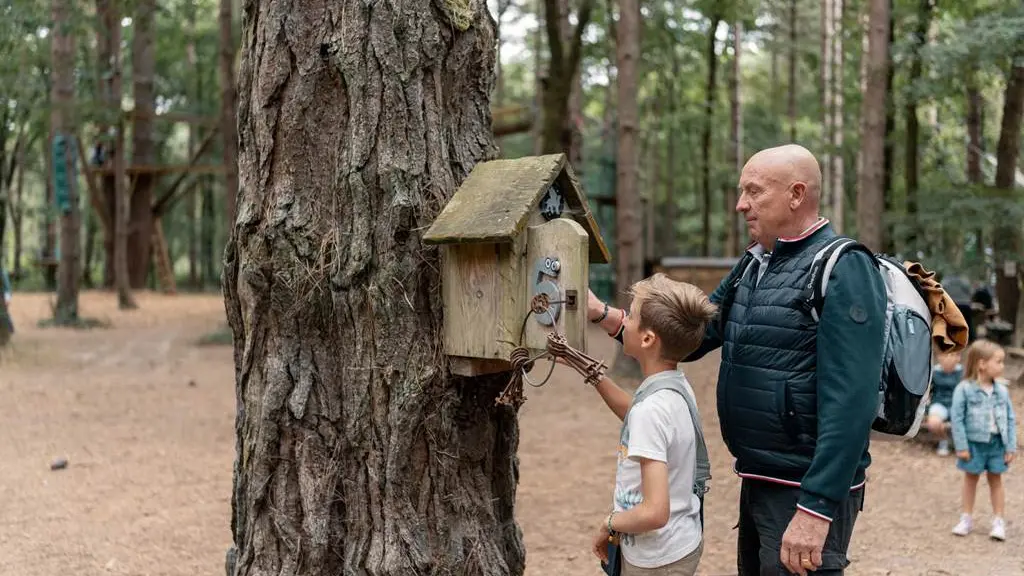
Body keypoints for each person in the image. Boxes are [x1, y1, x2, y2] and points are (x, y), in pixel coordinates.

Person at [588, 144, 887, 576]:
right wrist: (604, 315)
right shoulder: (754, 263)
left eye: (753, 191)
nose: (740, 203)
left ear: (796, 195)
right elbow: (691, 336)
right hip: (759, 477)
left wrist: (817, 508)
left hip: (803, 490)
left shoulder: (844, 268)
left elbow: (853, 401)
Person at [578, 274, 716, 576]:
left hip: (656, 560)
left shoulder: (651, 411)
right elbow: (637, 414)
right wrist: (592, 373)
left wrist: (610, 522)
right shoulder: (674, 387)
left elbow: (655, 513)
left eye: (631, 315)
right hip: (680, 543)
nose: (623, 320)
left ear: (647, 339)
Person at [950, 339, 1017, 541]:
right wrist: (961, 445)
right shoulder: (964, 389)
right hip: (973, 445)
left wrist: (1010, 446)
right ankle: (966, 518)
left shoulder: (1002, 391)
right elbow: (957, 418)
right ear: (981, 364)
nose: (1002, 366)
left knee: (996, 480)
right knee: (970, 480)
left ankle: (998, 521)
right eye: (998, 361)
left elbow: (1010, 418)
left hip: (997, 444)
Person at [925, 350, 963, 456]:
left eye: (953, 355)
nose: (949, 358)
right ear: (939, 357)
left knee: (962, 419)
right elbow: (927, 391)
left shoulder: (962, 372)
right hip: (939, 403)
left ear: (958, 358)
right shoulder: (934, 372)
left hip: (957, 404)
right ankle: (944, 440)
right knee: (933, 422)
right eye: (946, 355)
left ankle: (961, 444)